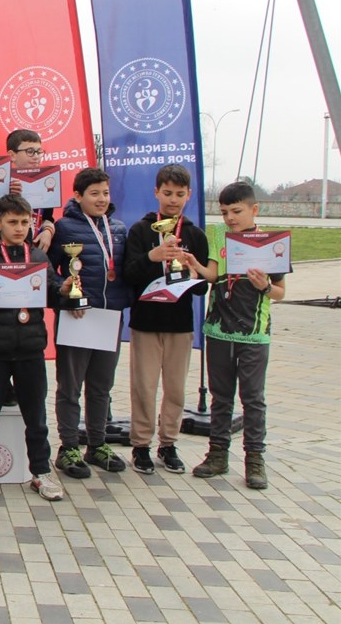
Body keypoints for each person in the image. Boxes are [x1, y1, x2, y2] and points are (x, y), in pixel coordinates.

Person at [0, 194, 72, 502]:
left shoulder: (39, 258)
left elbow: (52, 295)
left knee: (36, 417)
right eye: (12, 222)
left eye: (24, 222)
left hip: (30, 349)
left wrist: (64, 290)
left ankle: (41, 471)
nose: (19, 228)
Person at [182, 181, 288, 490]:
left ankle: (255, 459)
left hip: (254, 334)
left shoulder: (271, 244)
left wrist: (264, 286)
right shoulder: (219, 236)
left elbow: (280, 292)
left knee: (253, 399)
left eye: (236, 211)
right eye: (225, 212)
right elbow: (214, 275)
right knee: (221, 397)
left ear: (254, 210)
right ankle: (217, 454)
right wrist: (196, 265)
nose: (230, 218)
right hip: (219, 331)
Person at [121, 163, 209, 474]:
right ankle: (141, 445)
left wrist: (194, 275)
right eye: (168, 193)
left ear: (189, 195)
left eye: (179, 194)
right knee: (144, 387)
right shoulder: (141, 230)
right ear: (156, 192)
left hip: (180, 324)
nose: (173, 200)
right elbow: (128, 274)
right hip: (146, 322)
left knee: (175, 389)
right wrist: (152, 257)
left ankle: (168, 443)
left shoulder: (195, 235)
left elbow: (202, 288)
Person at [48, 168, 130, 479]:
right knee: (70, 387)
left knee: (101, 387)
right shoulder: (64, 227)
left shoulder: (118, 228)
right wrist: (64, 291)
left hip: (108, 317)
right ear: (78, 196)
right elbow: (49, 269)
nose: (101, 199)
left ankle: (97, 444)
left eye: (105, 193)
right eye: (94, 193)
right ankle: (68, 447)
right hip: (76, 317)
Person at [5, 129, 56, 253]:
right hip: (8, 251)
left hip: (36, 249)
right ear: (12, 155)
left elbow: (47, 218)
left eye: (39, 152)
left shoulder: (45, 183)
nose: (36, 156)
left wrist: (48, 231)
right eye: (30, 151)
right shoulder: (1, 184)